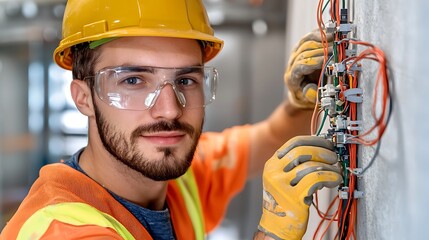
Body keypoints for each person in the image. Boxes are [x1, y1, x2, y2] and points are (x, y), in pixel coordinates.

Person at [1, 0, 342, 239]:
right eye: (133, 80)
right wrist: (273, 235)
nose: (169, 110)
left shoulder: (178, 177)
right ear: (83, 98)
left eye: (186, 80)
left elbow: (269, 139)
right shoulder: (61, 230)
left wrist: (304, 98)